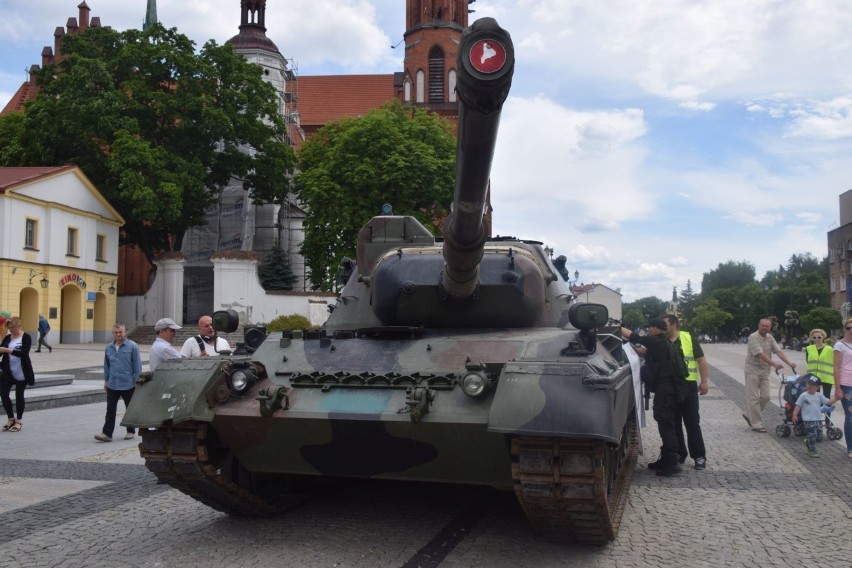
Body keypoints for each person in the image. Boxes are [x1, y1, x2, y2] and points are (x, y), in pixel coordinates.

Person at [622, 319, 688, 476]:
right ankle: (666, 458)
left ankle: (672, 462)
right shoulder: (662, 343)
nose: (648, 330)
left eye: (649, 328)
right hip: (668, 388)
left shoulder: (655, 340)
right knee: (665, 421)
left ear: (654, 328)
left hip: (666, 389)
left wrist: (617, 328)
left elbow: (634, 336)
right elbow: (645, 351)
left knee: (666, 422)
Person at [662, 314, 708, 470]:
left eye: (664, 324)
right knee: (674, 423)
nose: (662, 327)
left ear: (673, 324)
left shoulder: (688, 338)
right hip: (671, 387)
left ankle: (699, 456)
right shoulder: (662, 340)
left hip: (688, 386)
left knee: (692, 423)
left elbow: (701, 360)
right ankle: (680, 452)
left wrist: (704, 381)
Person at [743, 318, 796, 433]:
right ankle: (756, 424)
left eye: (767, 326)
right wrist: (774, 364)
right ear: (759, 325)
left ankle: (749, 414)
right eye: (763, 325)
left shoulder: (770, 337)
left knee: (766, 396)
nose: (765, 328)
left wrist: (789, 363)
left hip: (764, 372)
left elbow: (778, 351)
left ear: (770, 327)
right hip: (752, 370)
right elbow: (760, 354)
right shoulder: (753, 337)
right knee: (753, 398)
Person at [95, 323, 142, 442]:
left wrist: (138, 382)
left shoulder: (132, 346)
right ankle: (107, 433)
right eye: (116, 333)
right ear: (113, 333)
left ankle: (130, 431)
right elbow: (107, 365)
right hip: (113, 384)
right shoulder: (109, 347)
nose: (118, 335)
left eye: (120, 332)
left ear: (124, 332)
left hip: (128, 384)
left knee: (129, 409)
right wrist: (106, 380)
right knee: (110, 409)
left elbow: (137, 366)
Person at [0, 317, 35, 433]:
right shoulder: (7, 337)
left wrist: (8, 350)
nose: (11, 330)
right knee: (4, 394)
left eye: (13, 328)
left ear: (19, 326)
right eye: (9, 328)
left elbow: (24, 354)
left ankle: (18, 421)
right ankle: (10, 418)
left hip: (22, 372)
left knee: (19, 396)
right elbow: (1, 351)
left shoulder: (26, 337)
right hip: (7, 371)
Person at [791, 374, 839, 458]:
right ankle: (812, 450)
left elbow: (828, 402)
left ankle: (809, 442)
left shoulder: (819, 395)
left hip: (817, 419)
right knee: (813, 435)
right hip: (808, 419)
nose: (809, 386)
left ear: (817, 387)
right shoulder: (803, 395)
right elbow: (798, 405)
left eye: (812, 385)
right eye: (808, 383)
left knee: (819, 435)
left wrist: (836, 398)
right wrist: (794, 414)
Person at [832, 317, 852, 459]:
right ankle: (850, 448)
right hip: (847, 384)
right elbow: (836, 367)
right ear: (845, 329)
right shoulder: (839, 345)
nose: (851, 330)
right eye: (849, 328)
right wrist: (838, 388)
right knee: (850, 415)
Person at [805, 328, 834, 398]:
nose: (817, 339)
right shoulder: (808, 348)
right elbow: (807, 360)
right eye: (814, 337)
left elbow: (835, 361)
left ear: (823, 337)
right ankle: (816, 409)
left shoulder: (830, 349)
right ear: (812, 338)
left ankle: (826, 409)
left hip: (826, 376)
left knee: (826, 396)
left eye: (819, 337)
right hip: (813, 376)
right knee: (814, 396)